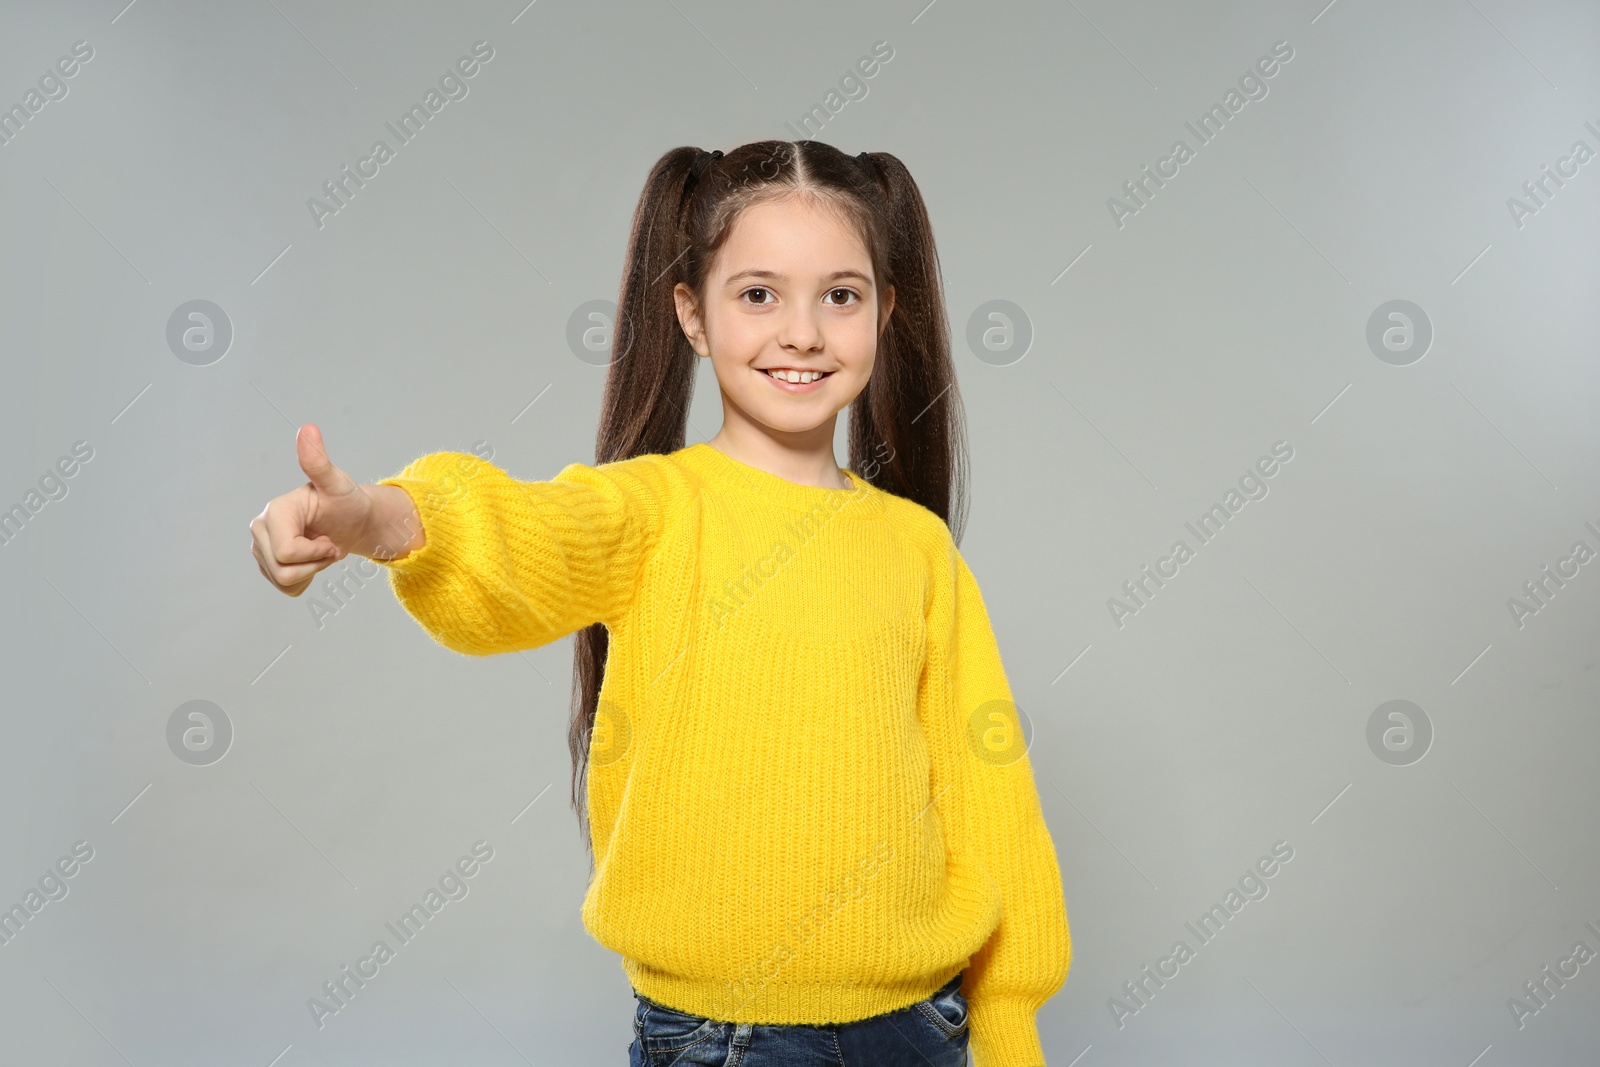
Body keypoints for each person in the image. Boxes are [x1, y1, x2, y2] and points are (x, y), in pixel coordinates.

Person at [249, 140, 1069, 1066]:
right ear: (692, 314)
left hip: (918, 1033)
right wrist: (384, 519)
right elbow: (530, 533)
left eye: (839, 295)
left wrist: (1010, 1026)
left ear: (886, 310)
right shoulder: (654, 510)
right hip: (725, 1039)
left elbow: (989, 797)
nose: (802, 331)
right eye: (758, 293)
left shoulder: (919, 549)